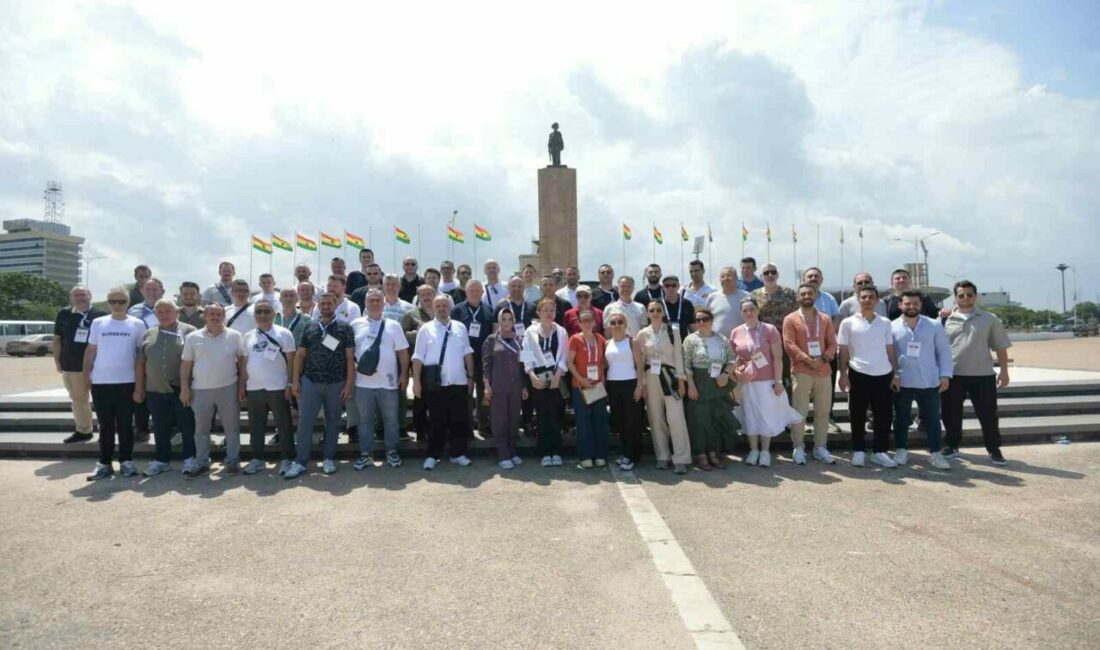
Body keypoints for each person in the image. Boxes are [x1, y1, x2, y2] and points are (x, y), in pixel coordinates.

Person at [285, 293, 355, 478]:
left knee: (333, 422)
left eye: (329, 303)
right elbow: (300, 355)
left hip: (336, 382)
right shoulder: (310, 326)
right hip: (310, 382)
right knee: (305, 423)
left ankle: (329, 458)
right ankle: (300, 462)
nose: (325, 306)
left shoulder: (345, 327)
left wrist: (349, 384)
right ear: (318, 305)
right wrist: (295, 381)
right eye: (322, 303)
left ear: (335, 305)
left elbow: (349, 357)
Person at [941, 281, 1012, 465]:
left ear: (975, 296)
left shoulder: (989, 318)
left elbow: (1000, 347)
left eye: (969, 294)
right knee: (951, 413)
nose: (965, 298)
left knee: (988, 414)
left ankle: (994, 449)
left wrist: (1004, 371)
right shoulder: (945, 320)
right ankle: (952, 445)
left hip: (983, 375)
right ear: (955, 297)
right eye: (961, 295)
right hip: (953, 375)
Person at [82, 288, 145, 480]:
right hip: (101, 383)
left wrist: (139, 386)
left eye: (122, 301)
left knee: (126, 425)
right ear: (107, 303)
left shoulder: (137, 324)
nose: (117, 305)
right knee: (105, 425)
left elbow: (141, 356)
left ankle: (126, 461)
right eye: (113, 301)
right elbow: (91, 350)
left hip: (127, 383)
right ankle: (104, 463)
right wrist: (86, 376)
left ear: (128, 303)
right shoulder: (98, 323)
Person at [732, 298, 802, 467]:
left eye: (751, 309)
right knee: (749, 416)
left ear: (757, 310)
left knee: (765, 416)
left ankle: (764, 451)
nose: (749, 313)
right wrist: (735, 373)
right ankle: (753, 449)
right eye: (745, 310)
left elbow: (778, 358)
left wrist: (778, 381)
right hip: (746, 382)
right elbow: (734, 357)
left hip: (766, 381)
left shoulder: (770, 330)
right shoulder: (735, 331)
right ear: (741, 313)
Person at [180, 303, 247, 477]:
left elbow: (242, 361)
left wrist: (241, 385)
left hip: (228, 387)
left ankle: (232, 460)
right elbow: (186, 364)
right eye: (212, 314)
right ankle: (202, 462)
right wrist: (184, 388)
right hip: (200, 389)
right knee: (201, 429)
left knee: (231, 427)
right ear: (205, 316)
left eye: (219, 314)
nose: (216, 317)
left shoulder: (234, 336)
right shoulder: (193, 337)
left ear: (223, 316)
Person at [837, 286, 900, 468]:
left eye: (871, 297)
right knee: (857, 414)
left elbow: (890, 350)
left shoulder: (885, 323)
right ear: (859, 300)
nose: (867, 300)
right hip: (858, 373)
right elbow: (844, 351)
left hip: (883, 374)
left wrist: (896, 373)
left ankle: (880, 452)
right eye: (863, 297)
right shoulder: (848, 323)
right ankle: (858, 450)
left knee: (884, 415)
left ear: (877, 300)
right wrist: (843, 374)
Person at [412, 294, 476, 470]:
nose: (441, 309)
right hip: (435, 384)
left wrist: (471, 377)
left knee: (459, 420)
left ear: (450, 308)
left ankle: (458, 454)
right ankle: (433, 455)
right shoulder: (425, 329)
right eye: (438, 306)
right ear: (433, 308)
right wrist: (416, 381)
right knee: (435, 421)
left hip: (458, 381)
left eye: (444, 306)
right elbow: (418, 357)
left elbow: (467, 352)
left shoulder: (460, 327)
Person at [892, 290, 953, 470]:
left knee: (933, 419)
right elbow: (889, 355)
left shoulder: (934, 326)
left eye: (915, 304)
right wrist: (893, 376)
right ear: (900, 305)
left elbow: (944, 352)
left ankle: (935, 453)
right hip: (902, 381)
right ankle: (901, 450)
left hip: (929, 380)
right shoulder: (891, 327)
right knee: (901, 418)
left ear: (921, 305)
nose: (911, 307)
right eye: (907, 304)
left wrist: (945, 375)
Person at [134, 299, 197, 477]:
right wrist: (139, 388)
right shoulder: (148, 334)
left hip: (181, 388)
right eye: (160, 312)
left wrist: (189, 386)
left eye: (168, 311)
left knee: (187, 425)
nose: (164, 315)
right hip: (155, 389)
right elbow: (140, 362)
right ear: (155, 314)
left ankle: (189, 458)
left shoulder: (189, 332)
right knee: (160, 426)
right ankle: (162, 460)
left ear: (177, 312)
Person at [351, 289, 410, 470]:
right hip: (362, 383)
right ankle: (365, 454)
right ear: (365, 304)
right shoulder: (355, 324)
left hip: (388, 382)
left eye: (378, 300)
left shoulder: (394, 325)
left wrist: (404, 375)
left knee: (391, 420)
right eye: (371, 300)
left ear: (384, 303)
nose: (375, 303)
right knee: (365, 421)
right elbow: (348, 353)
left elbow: (403, 353)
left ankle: (391, 451)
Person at [783, 284, 839, 465]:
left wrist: (823, 359)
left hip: (823, 370)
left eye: (810, 293)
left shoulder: (824, 319)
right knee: (800, 411)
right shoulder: (790, 319)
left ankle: (820, 447)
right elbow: (789, 344)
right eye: (803, 293)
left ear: (815, 295)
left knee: (823, 411)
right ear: (798, 297)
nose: (807, 296)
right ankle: (798, 447)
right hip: (801, 371)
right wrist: (808, 359)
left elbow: (832, 343)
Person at [240, 300, 296, 475]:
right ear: (254, 315)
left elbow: (292, 361)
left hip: (278, 387)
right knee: (256, 425)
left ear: (274, 314)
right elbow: (243, 363)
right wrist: (242, 384)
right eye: (259, 312)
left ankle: (287, 459)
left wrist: (290, 383)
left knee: (283, 424)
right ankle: (257, 458)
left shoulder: (284, 333)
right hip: (254, 388)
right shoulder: (248, 336)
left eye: (266, 311)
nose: (262, 315)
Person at [636, 299, 691, 474]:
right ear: (648, 313)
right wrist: (642, 384)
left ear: (663, 312)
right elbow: (640, 361)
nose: (655, 313)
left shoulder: (672, 330)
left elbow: (678, 356)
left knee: (676, 417)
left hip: (670, 377)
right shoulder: (642, 334)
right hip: (651, 377)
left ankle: (681, 458)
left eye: (658, 310)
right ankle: (662, 456)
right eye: (652, 310)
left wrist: (682, 381)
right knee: (655, 417)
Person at [682, 306, 738, 470]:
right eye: (698, 320)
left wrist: (726, 374)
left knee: (714, 420)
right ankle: (701, 454)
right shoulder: (690, 339)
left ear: (711, 321)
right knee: (699, 420)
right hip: (699, 383)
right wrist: (691, 385)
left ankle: (713, 453)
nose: (701, 322)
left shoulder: (722, 339)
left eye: (705, 319)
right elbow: (686, 365)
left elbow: (732, 360)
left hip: (718, 383)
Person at [53, 285, 106, 443]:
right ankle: (84, 430)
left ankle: (106, 431)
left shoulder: (101, 316)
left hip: (98, 366)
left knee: (103, 400)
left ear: (90, 296)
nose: (80, 298)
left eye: (83, 295)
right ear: (71, 298)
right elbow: (57, 340)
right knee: (78, 399)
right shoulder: (64, 314)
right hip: (71, 366)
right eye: (76, 295)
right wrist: (58, 361)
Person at [523, 298, 569, 467]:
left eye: (552, 310)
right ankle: (544, 452)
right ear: (539, 313)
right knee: (542, 417)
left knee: (556, 416)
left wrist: (559, 374)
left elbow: (565, 354)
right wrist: (531, 376)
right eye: (545, 310)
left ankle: (556, 452)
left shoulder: (562, 331)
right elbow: (526, 355)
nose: (549, 313)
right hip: (538, 379)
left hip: (557, 377)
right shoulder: (530, 331)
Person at [482, 309, 527, 469]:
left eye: (509, 319)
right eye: (504, 319)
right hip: (498, 386)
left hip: (515, 386)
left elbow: (524, 366)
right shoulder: (491, 340)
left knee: (514, 420)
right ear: (499, 321)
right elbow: (486, 365)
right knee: (500, 421)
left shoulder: (519, 340)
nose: (507, 322)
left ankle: (512, 451)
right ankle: (503, 454)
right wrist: (487, 385)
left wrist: (524, 386)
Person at [566, 309, 610, 468]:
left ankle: (600, 454)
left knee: (600, 421)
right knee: (583, 422)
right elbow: (570, 363)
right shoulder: (575, 339)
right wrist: (582, 380)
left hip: (597, 386)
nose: (586, 323)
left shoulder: (600, 339)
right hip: (580, 387)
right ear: (579, 323)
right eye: (583, 320)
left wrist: (602, 379)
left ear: (594, 322)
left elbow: (604, 362)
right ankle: (585, 455)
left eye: (589, 320)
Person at [604, 313, 646, 471]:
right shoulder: (607, 343)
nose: (616, 325)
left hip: (631, 384)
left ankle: (632, 455)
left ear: (626, 324)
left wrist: (639, 386)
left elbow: (640, 365)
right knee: (620, 421)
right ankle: (625, 452)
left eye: (620, 322)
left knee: (632, 422)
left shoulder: (632, 342)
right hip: (613, 385)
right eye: (613, 322)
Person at [802, 267, 842, 434]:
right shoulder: (799, 299)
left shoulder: (829, 298)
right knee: (802, 388)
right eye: (810, 276)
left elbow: (836, 319)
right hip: (803, 351)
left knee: (828, 386)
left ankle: (828, 417)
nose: (813, 278)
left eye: (816, 276)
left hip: (826, 349)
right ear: (804, 279)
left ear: (822, 279)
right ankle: (801, 420)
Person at [452, 280, 493, 438]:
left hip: (484, 359)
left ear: (482, 292)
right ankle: (467, 428)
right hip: (464, 359)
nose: (474, 292)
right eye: (471, 290)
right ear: (466, 292)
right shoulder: (457, 310)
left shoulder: (489, 310)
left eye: (477, 289)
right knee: (465, 395)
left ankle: (484, 426)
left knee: (484, 394)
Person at [706, 266, 751, 339]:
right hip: (718, 342)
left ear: (736, 278)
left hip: (742, 340)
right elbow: (707, 319)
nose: (725, 278)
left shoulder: (747, 296)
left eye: (729, 275)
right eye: (722, 276)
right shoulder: (712, 297)